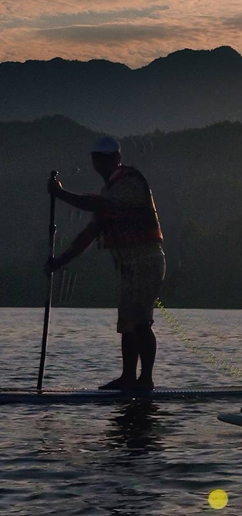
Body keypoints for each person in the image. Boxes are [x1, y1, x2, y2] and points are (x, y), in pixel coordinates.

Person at [46, 136, 166, 391]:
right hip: (128, 265)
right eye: (98, 158)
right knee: (127, 324)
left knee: (140, 321)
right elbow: (89, 234)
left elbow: (97, 204)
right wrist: (59, 261)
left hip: (146, 261)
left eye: (107, 158)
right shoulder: (109, 190)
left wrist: (61, 193)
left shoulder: (130, 181)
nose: (102, 162)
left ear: (117, 158)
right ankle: (128, 378)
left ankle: (145, 380)